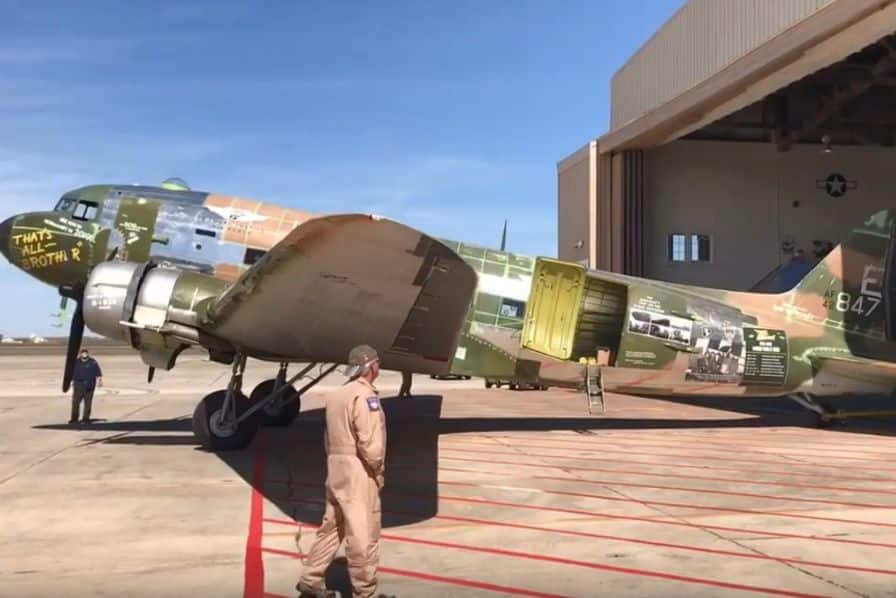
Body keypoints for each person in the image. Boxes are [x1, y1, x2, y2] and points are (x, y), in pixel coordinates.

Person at [297, 345, 388, 598]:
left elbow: (328, 438)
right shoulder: (365, 396)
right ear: (370, 367)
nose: (378, 368)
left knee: (332, 526)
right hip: (358, 470)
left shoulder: (337, 396)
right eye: (377, 364)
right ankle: (365, 592)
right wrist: (377, 471)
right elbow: (370, 443)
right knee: (362, 533)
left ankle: (310, 580)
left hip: (336, 466)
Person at [71, 348, 102, 424]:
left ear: (88, 354)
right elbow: (71, 373)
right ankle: (74, 418)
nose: (84, 354)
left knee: (88, 403)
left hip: (89, 385)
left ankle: (86, 418)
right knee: (75, 402)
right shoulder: (76, 362)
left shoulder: (93, 362)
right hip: (78, 385)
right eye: (83, 353)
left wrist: (99, 381)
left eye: (85, 353)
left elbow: (98, 373)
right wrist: (70, 382)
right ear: (80, 354)